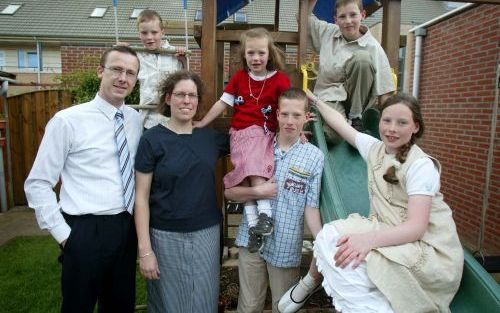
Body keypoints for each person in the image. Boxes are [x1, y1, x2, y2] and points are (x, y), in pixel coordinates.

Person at [307, 91, 464, 312]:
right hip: (387, 227)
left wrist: (368, 240)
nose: (391, 128)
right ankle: (370, 304)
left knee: (353, 256)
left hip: (425, 248)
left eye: (402, 123)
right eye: (387, 120)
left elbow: (417, 228)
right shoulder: (375, 149)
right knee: (329, 238)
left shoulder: (420, 166)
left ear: (415, 127)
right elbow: (342, 125)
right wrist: (315, 101)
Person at [24, 45, 142, 313]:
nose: (123, 78)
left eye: (131, 73)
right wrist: (64, 235)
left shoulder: (134, 120)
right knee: (78, 306)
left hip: (125, 228)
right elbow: (38, 183)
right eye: (116, 69)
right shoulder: (68, 121)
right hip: (84, 231)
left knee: (120, 306)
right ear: (101, 71)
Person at [134, 70, 229, 313]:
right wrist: (145, 251)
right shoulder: (152, 140)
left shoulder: (210, 138)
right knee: (169, 302)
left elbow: (255, 143)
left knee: (204, 299)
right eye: (180, 95)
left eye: (192, 95)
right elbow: (141, 198)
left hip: (207, 232)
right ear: (168, 99)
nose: (187, 101)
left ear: (198, 101)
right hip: (165, 234)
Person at [225, 88, 324, 313]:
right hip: (251, 238)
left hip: (286, 244)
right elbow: (230, 192)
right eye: (285, 114)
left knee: (283, 306)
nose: (290, 121)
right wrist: (259, 193)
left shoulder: (315, 157)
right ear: (277, 114)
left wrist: (321, 239)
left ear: (306, 117)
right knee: (249, 305)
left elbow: (311, 206)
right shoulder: (258, 145)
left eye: (297, 115)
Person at [195, 28, 291, 251]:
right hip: (238, 134)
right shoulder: (240, 78)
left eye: (261, 53)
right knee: (243, 177)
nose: (256, 58)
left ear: (269, 54)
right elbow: (222, 103)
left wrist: (298, 130)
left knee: (253, 168)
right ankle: (254, 225)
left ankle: (265, 216)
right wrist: (203, 122)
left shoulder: (279, 81)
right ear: (244, 55)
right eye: (251, 53)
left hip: (262, 133)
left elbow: (288, 107)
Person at [307, 0, 395, 141]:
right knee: (333, 136)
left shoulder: (373, 47)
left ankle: (355, 118)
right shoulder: (328, 33)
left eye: (353, 15)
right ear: (336, 20)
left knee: (362, 59)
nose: (348, 21)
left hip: (359, 103)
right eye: (342, 17)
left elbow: (385, 91)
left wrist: (391, 121)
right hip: (331, 97)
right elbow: (305, 19)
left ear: (363, 15)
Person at [135, 9, 184, 129]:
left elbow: (186, 80)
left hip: (171, 117)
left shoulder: (174, 53)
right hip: (147, 118)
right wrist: (122, 49)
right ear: (139, 34)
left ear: (162, 32)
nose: (149, 37)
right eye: (144, 33)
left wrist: (184, 60)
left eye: (154, 32)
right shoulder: (137, 55)